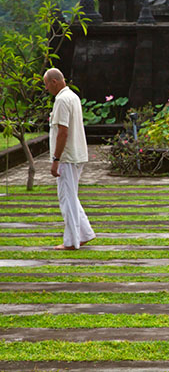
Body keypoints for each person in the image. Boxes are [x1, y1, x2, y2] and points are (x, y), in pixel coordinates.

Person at [43, 68, 95, 251]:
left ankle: (72, 240)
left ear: (54, 82)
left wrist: (56, 159)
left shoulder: (62, 100)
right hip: (76, 154)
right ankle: (85, 233)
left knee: (66, 197)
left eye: (46, 84)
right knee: (71, 196)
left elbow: (63, 132)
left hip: (68, 156)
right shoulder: (72, 96)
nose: (46, 89)